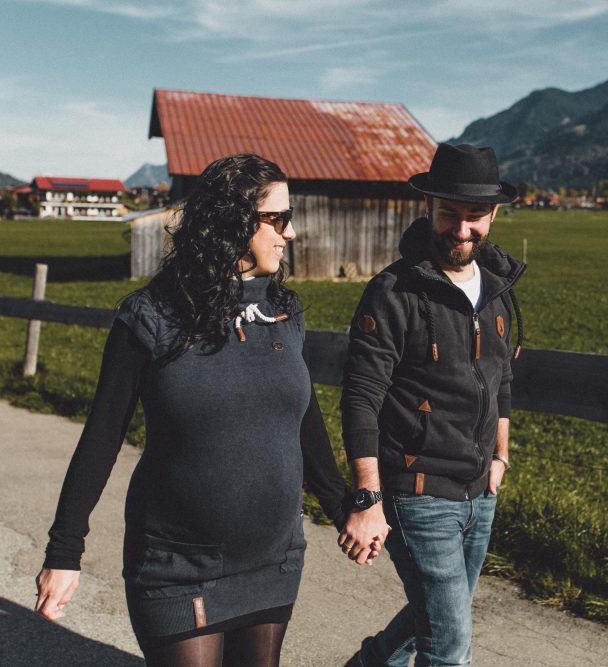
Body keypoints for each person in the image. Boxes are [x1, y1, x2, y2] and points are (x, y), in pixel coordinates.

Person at [34, 154, 374, 667]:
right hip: (176, 564)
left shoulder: (286, 311)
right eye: (278, 219)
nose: (292, 232)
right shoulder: (150, 317)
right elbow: (102, 439)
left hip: (273, 560)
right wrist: (64, 553)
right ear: (232, 222)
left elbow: (302, 421)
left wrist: (342, 505)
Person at [338, 143, 525, 666]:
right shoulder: (393, 292)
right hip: (417, 493)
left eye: (474, 217)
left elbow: (502, 377)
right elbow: (360, 398)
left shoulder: (497, 289)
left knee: (438, 618)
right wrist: (366, 498)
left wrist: (500, 457)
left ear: (493, 214)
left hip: (477, 493)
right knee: (450, 646)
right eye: (449, 215)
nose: (461, 230)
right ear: (428, 208)